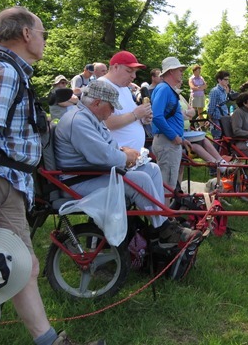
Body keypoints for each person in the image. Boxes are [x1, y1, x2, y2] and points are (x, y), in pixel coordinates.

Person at [0, 7, 104, 345]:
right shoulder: (2, 72)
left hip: (1, 183)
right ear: (25, 34)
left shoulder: (5, 71)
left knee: (21, 269)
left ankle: (49, 340)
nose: (44, 39)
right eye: (42, 32)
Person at [55, 81, 200, 248]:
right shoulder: (79, 121)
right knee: (139, 180)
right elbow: (103, 155)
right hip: (78, 181)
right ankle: (163, 230)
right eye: (111, 107)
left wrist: (126, 153)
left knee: (152, 169)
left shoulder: (90, 117)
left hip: (92, 173)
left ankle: (161, 221)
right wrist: (125, 157)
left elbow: (108, 146)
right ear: (96, 103)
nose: (113, 111)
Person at [100, 51, 152, 151]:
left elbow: (129, 115)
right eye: (129, 71)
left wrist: (143, 118)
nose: (134, 76)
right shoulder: (102, 86)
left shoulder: (124, 88)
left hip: (131, 159)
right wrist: (135, 115)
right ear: (115, 67)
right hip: (116, 159)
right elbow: (105, 123)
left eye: (135, 72)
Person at [152, 57, 189, 188]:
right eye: (180, 70)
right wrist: (174, 136)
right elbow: (157, 116)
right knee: (167, 186)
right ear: (171, 71)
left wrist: (181, 138)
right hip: (167, 143)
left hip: (169, 142)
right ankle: (164, 208)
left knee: (169, 184)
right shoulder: (164, 89)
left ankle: (165, 207)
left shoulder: (166, 88)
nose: (182, 73)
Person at [207, 70, 231, 141]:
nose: (227, 81)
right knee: (217, 139)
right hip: (217, 119)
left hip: (224, 117)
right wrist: (210, 118)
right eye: (225, 79)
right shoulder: (215, 91)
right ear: (219, 80)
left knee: (224, 139)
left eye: (228, 80)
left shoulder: (224, 91)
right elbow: (211, 106)